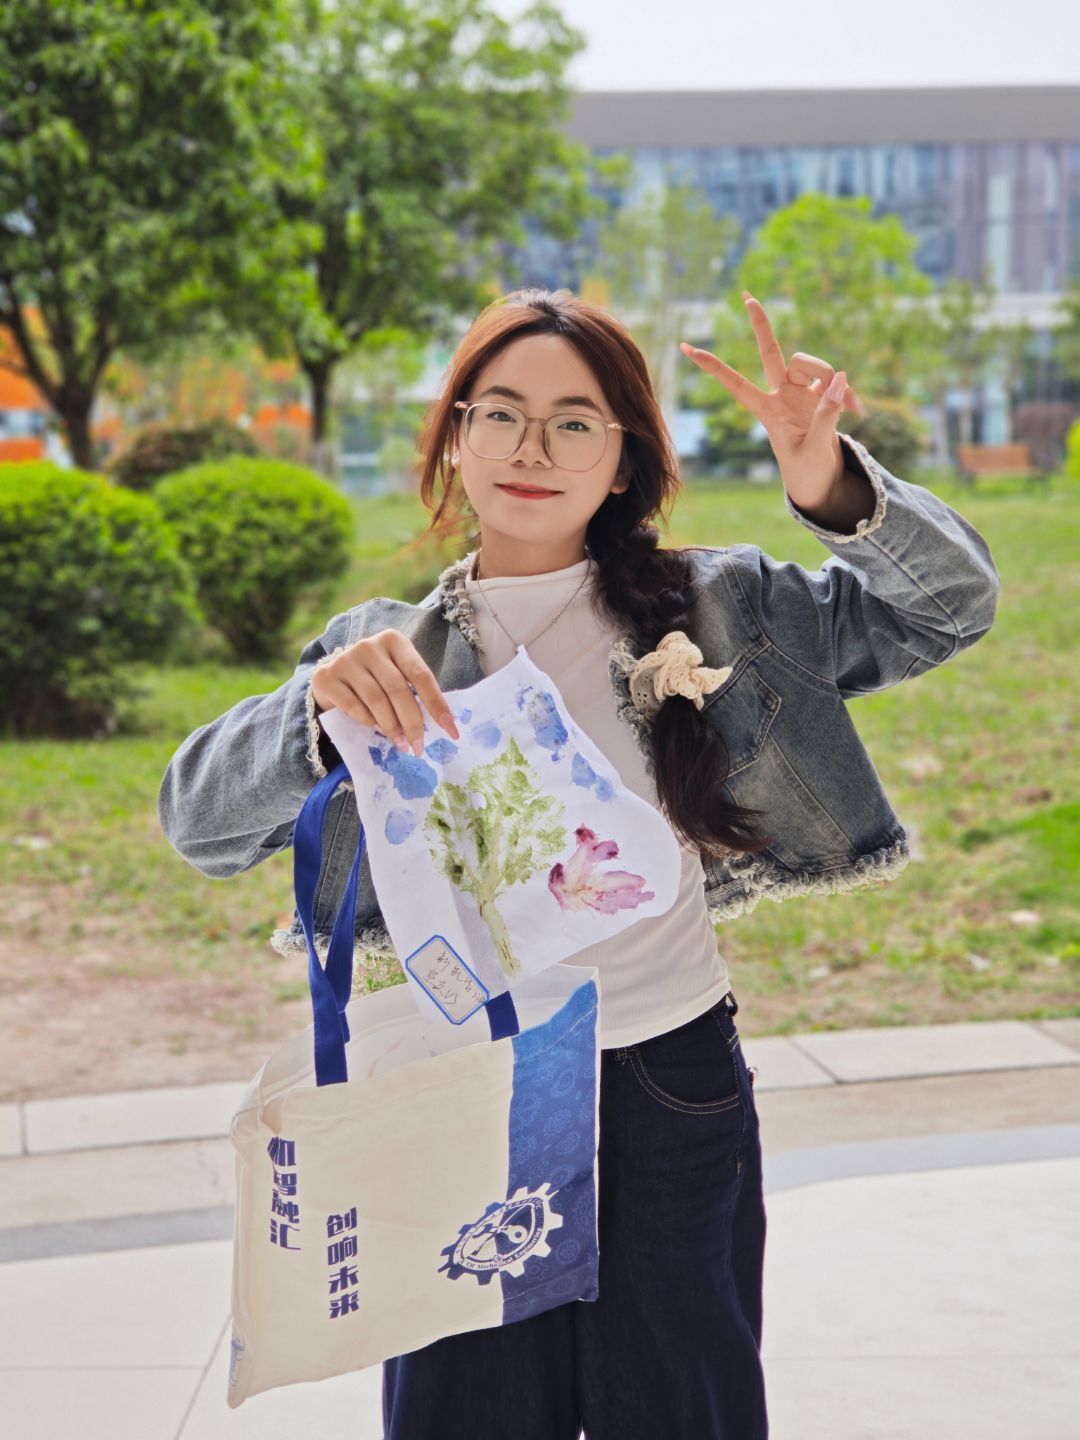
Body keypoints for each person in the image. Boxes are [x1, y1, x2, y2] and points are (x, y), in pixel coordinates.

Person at [159, 286, 1001, 1439]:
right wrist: (310, 711)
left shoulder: (719, 607)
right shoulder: (383, 652)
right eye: (500, 414)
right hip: (465, 1089)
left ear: (623, 461)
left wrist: (829, 482)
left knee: (685, 1409)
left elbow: (949, 609)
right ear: (455, 438)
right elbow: (197, 823)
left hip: (667, 1080)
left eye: (574, 422)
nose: (532, 449)